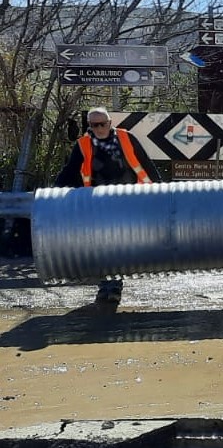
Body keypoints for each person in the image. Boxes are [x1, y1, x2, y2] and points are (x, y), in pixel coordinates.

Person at [54, 107, 162, 306]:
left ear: (110, 123)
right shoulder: (84, 144)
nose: (99, 128)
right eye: (94, 125)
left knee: (116, 244)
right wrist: (53, 193)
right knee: (102, 245)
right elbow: (70, 170)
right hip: (98, 201)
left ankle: (113, 286)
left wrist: (160, 191)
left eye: (103, 124)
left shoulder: (125, 138)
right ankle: (106, 285)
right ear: (90, 126)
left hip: (126, 199)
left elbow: (146, 164)